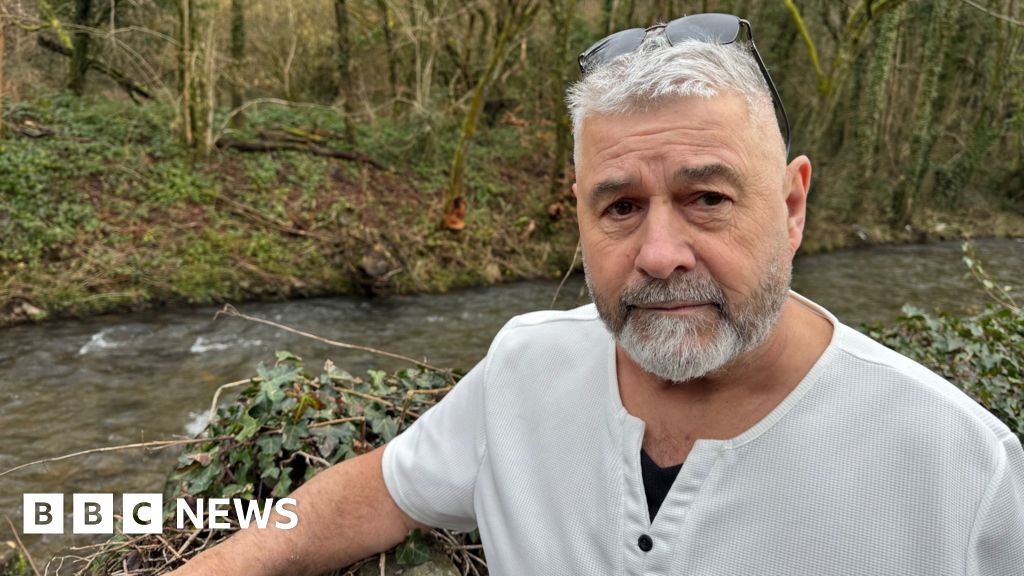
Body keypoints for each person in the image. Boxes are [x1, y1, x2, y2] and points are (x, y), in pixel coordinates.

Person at [169, 14, 1024, 576]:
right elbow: (380, 490)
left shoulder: (959, 467)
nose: (657, 254)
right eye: (620, 206)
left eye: (708, 199)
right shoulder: (526, 367)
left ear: (793, 205)